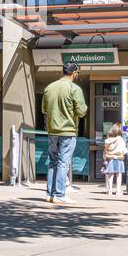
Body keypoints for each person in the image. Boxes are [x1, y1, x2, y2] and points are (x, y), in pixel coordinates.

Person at [41, 62, 87, 203]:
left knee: (53, 162)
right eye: (77, 73)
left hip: (52, 131)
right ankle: (60, 194)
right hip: (67, 131)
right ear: (74, 73)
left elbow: (44, 110)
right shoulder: (74, 88)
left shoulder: (49, 87)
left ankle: (50, 194)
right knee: (63, 163)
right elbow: (81, 111)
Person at [102, 123, 126, 195]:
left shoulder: (108, 140)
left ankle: (109, 190)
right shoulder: (120, 140)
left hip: (110, 159)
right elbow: (123, 150)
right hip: (119, 159)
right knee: (118, 175)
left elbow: (105, 150)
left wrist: (105, 158)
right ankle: (118, 191)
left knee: (110, 175)